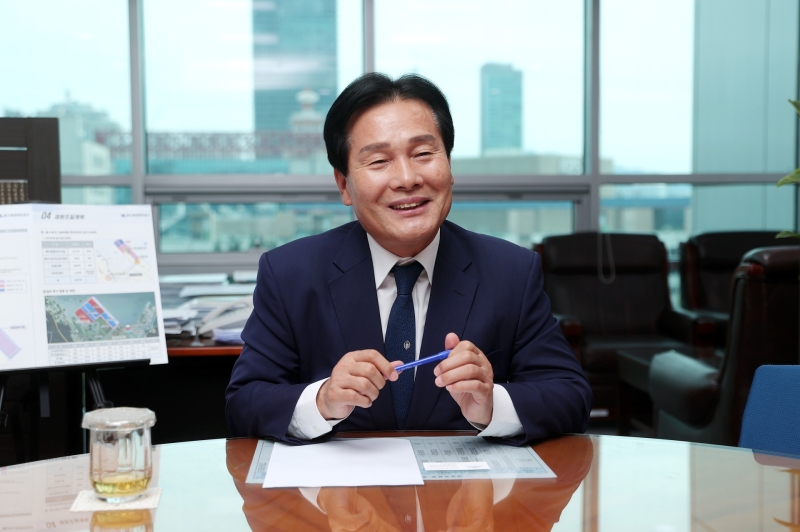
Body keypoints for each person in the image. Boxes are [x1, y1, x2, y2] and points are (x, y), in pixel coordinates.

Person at [225, 73, 592, 445]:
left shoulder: (511, 271)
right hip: (342, 483)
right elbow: (244, 403)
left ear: (449, 165)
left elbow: (570, 397)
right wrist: (322, 401)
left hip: (465, 482)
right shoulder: (290, 273)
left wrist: (491, 404)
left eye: (423, 154)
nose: (406, 178)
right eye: (379, 160)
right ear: (344, 185)